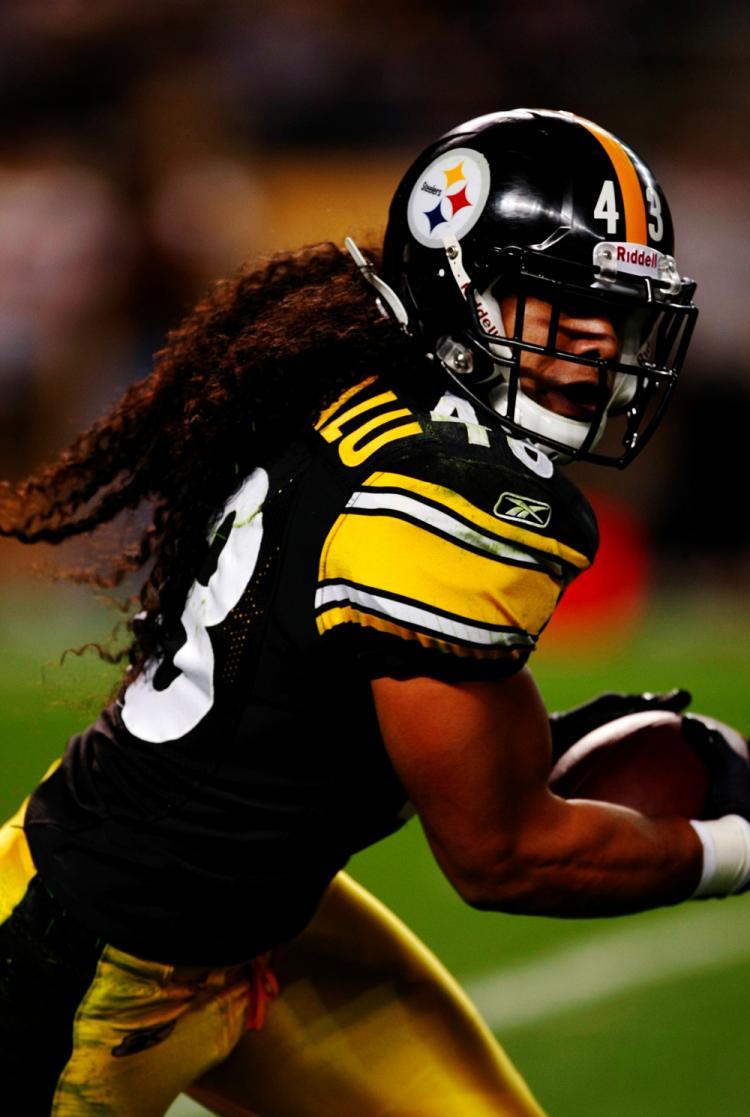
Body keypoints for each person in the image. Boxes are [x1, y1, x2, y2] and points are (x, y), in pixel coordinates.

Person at [1, 107, 748, 1117]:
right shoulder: (456, 499)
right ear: (463, 288)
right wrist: (730, 848)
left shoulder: (362, 380)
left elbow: (353, 687)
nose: (595, 350)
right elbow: (504, 854)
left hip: (246, 909)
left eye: (615, 315)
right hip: (85, 957)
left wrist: (548, 738)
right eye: (557, 308)